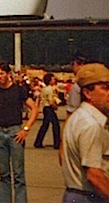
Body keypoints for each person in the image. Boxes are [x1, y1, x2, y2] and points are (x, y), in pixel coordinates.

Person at [0, 62, 39, 203]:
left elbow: (34, 109)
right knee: (3, 174)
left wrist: (26, 129)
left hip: (15, 132)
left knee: (18, 174)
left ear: (8, 74)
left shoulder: (19, 90)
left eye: (1, 73)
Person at [61, 62, 109, 202]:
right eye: (105, 88)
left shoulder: (79, 117)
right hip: (88, 197)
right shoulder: (91, 125)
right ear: (88, 93)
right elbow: (94, 175)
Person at [34, 73, 60, 149]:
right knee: (56, 125)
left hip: (45, 108)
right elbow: (51, 101)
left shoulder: (44, 89)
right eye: (52, 79)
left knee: (45, 125)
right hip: (49, 108)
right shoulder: (50, 89)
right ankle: (56, 143)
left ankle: (38, 141)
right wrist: (55, 106)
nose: (54, 80)